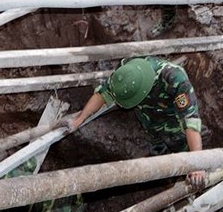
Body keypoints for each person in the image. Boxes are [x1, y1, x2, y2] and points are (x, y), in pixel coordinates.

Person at [65, 56, 207, 189]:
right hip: (148, 118)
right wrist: (79, 119)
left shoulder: (175, 78)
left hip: (172, 119)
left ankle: (183, 163)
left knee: (180, 143)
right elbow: (103, 94)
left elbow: (191, 123)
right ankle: (161, 156)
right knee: (155, 139)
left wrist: (197, 164)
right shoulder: (127, 70)